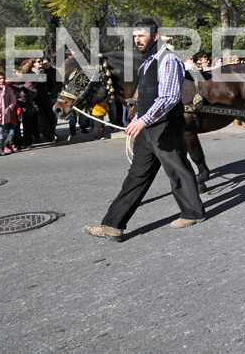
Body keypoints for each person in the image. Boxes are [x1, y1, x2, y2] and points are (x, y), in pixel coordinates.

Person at [84, 17, 205, 242]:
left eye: (142, 36)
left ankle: (193, 213)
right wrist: (137, 116)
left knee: (177, 168)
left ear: (155, 37)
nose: (137, 40)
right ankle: (112, 225)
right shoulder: (147, 62)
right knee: (136, 175)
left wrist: (144, 120)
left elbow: (169, 98)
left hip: (165, 126)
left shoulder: (167, 59)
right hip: (148, 127)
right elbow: (147, 95)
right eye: (135, 36)